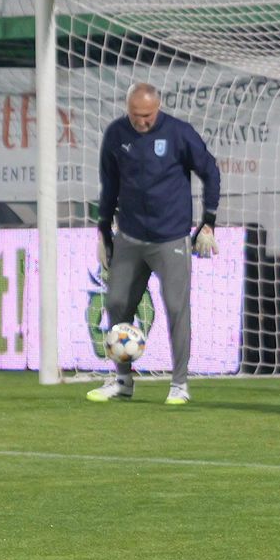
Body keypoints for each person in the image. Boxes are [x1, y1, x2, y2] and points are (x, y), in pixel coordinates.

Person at [86, 82, 221, 405]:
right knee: (117, 304)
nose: (140, 121)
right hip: (130, 237)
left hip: (170, 238)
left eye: (146, 115)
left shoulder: (179, 133)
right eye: (135, 115)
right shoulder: (117, 135)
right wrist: (104, 230)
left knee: (176, 308)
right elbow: (109, 184)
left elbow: (210, 171)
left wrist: (209, 221)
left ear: (156, 109)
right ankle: (122, 380)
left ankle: (179, 384)